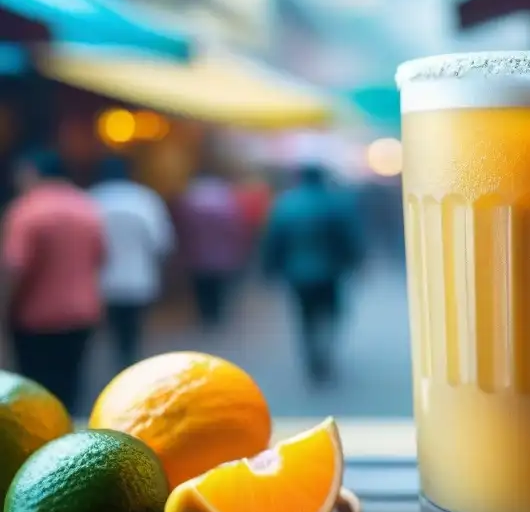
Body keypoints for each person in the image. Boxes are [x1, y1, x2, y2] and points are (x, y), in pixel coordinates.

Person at [0, 150, 105, 412]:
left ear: (32, 172)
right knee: (71, 385)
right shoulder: (87, 206)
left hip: (36, 318)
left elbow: (15, 268)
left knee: (36, 394)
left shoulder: (27, 210)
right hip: (82, 313)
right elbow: (101, 257)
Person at [262, 162, 365, 383]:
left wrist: (270, 268)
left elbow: (274, 239)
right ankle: (324, 351)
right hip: (330, 271)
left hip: (297, 272)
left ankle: (312, 357)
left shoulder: (286, 203)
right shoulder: (334, 202)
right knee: (331, 312)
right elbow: (349, 236)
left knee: (304, 316)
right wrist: (356, 262)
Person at [91, 156, 175, 371]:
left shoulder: (92, 198)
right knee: (133, 330)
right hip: (139, 278)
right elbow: (162, 242)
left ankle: (117, 364)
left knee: (110, 330)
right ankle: (128, 362)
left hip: (102, 281)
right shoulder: (145, 199)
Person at [176, 173, 247, 330]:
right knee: (218, 285)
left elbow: (184, 230)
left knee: (202, 286)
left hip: (197, 255)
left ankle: (205, 314)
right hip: (221, 255)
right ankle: (216, 313)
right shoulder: (226, 204)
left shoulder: (191, 204)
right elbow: (234, 230)